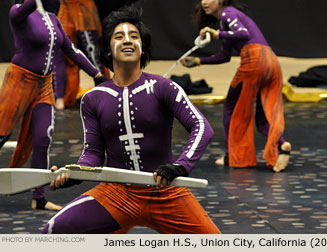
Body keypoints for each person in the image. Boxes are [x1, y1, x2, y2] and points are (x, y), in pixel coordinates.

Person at [42, 5, 221, 234]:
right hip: (116, 194)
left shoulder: (163, 87)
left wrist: (180, 166)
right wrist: (74, 174)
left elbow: (201, 127)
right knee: (52, 232)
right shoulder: (93, 99)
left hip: (165, 191)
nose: (127, 41)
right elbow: (93, 154)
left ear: (142, 48)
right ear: (108, 51)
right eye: (119, 37)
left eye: (134, 36)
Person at [0, 0, 105, 211]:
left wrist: (97, 74)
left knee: (43, 138)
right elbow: (29, 5)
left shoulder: (53, 19)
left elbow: (72, 50)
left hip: (43, 86)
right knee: (1, 134)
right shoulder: (18, 13)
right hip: (20, 81)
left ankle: (38, 198)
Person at [181, 0, 291, 172]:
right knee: (262, 118)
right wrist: (197, 61)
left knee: (231, 109)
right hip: (272, 62)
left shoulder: (227, 13)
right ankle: (282, 145)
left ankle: (231, 155)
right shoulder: (226, 20)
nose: (204, 2)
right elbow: (225, 56)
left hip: (254, 61)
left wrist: (217, 34)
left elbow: (243, 34)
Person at [55, 0, 110, 110]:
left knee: (92, 52)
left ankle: (105, 91)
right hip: (66, 7)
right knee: (62, 51)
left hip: (84, 7)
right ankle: (61, 96)